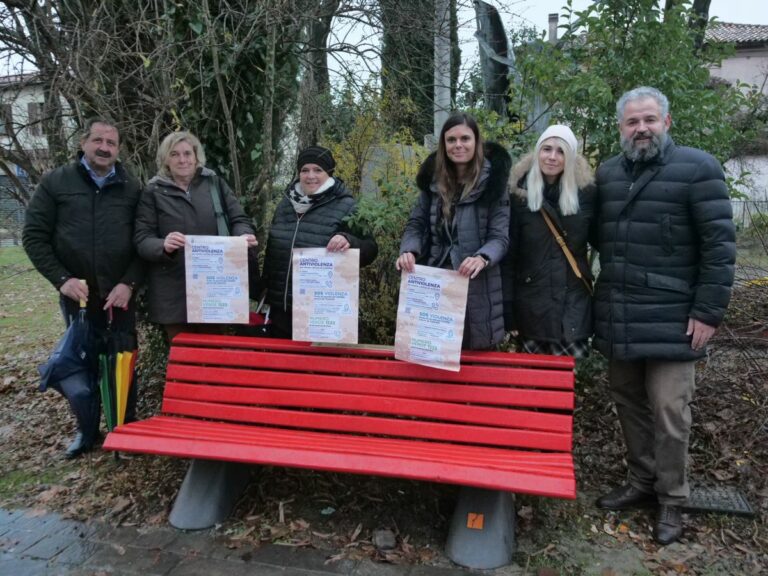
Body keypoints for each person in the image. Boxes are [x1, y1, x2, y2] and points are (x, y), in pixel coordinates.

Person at [592, 87, 736, 545]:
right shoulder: (609, 174)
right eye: (632, 122)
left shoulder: (698, 168)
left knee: (671, 410)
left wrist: (708, 311)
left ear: (667, 122)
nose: (641, 129)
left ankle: (672, 499)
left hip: (676, 317)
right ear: (621, 128)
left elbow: (720, 248)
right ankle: (641, 481)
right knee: (628, 402)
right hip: (620, 313)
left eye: (649, 120)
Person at [23, 117, 143, 459]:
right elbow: (34, 236)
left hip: (119, 297)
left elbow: (142, 241)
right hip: (78, 297)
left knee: (123, 363)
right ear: (83, 143)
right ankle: (87, 431)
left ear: (118, 150)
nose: (105, 148)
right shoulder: (56, 182)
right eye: (98, 141)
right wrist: (62, 280)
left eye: (112, 143)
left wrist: (128, 283)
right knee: (80, 366)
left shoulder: (131, 187)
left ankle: (124, 430)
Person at [397, 112, 511, 350]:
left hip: (476, 283)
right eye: (451, 140)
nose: (458, 145)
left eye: (465, 139)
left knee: (475, 358)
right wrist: (409, 250)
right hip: (435, 281)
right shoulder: (433, 182)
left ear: (476, 142)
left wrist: (482, 257)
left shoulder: (494, 184)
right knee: (433, 353)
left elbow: (499, 238)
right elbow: (416, 225)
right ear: (444, 145)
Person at [134, 131, 258, 340]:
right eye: (174, 154)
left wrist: (243, 236)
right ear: (166, 159)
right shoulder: (153, 191)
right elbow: (141, 238)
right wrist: (163, 245)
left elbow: (239, 220)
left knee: (213, 355)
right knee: (183, 358)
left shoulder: (214, 184)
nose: (182, 160)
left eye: (187, 154)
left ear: (196, 156)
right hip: (173, 291)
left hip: (215, 287)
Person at [261, 145, 378, 338]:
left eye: (318, 170)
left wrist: (348, 239)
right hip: (280, 312)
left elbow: (371, 249)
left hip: (322, 314)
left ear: (329, 173)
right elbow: (273, 252)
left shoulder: (347, 205)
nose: (310, 176)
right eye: (304, 170)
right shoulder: (285, 205)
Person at [501, 124, 595, 356]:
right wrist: (508, 310)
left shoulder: (588, 193)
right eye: (547, 149)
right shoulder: (518, 195)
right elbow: (509, 257)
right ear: (537, 152)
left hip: (572, 307)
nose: (552, 157)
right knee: (531, 386)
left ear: (570, 157)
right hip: (531, 308)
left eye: (561, 151)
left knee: (563, 388)